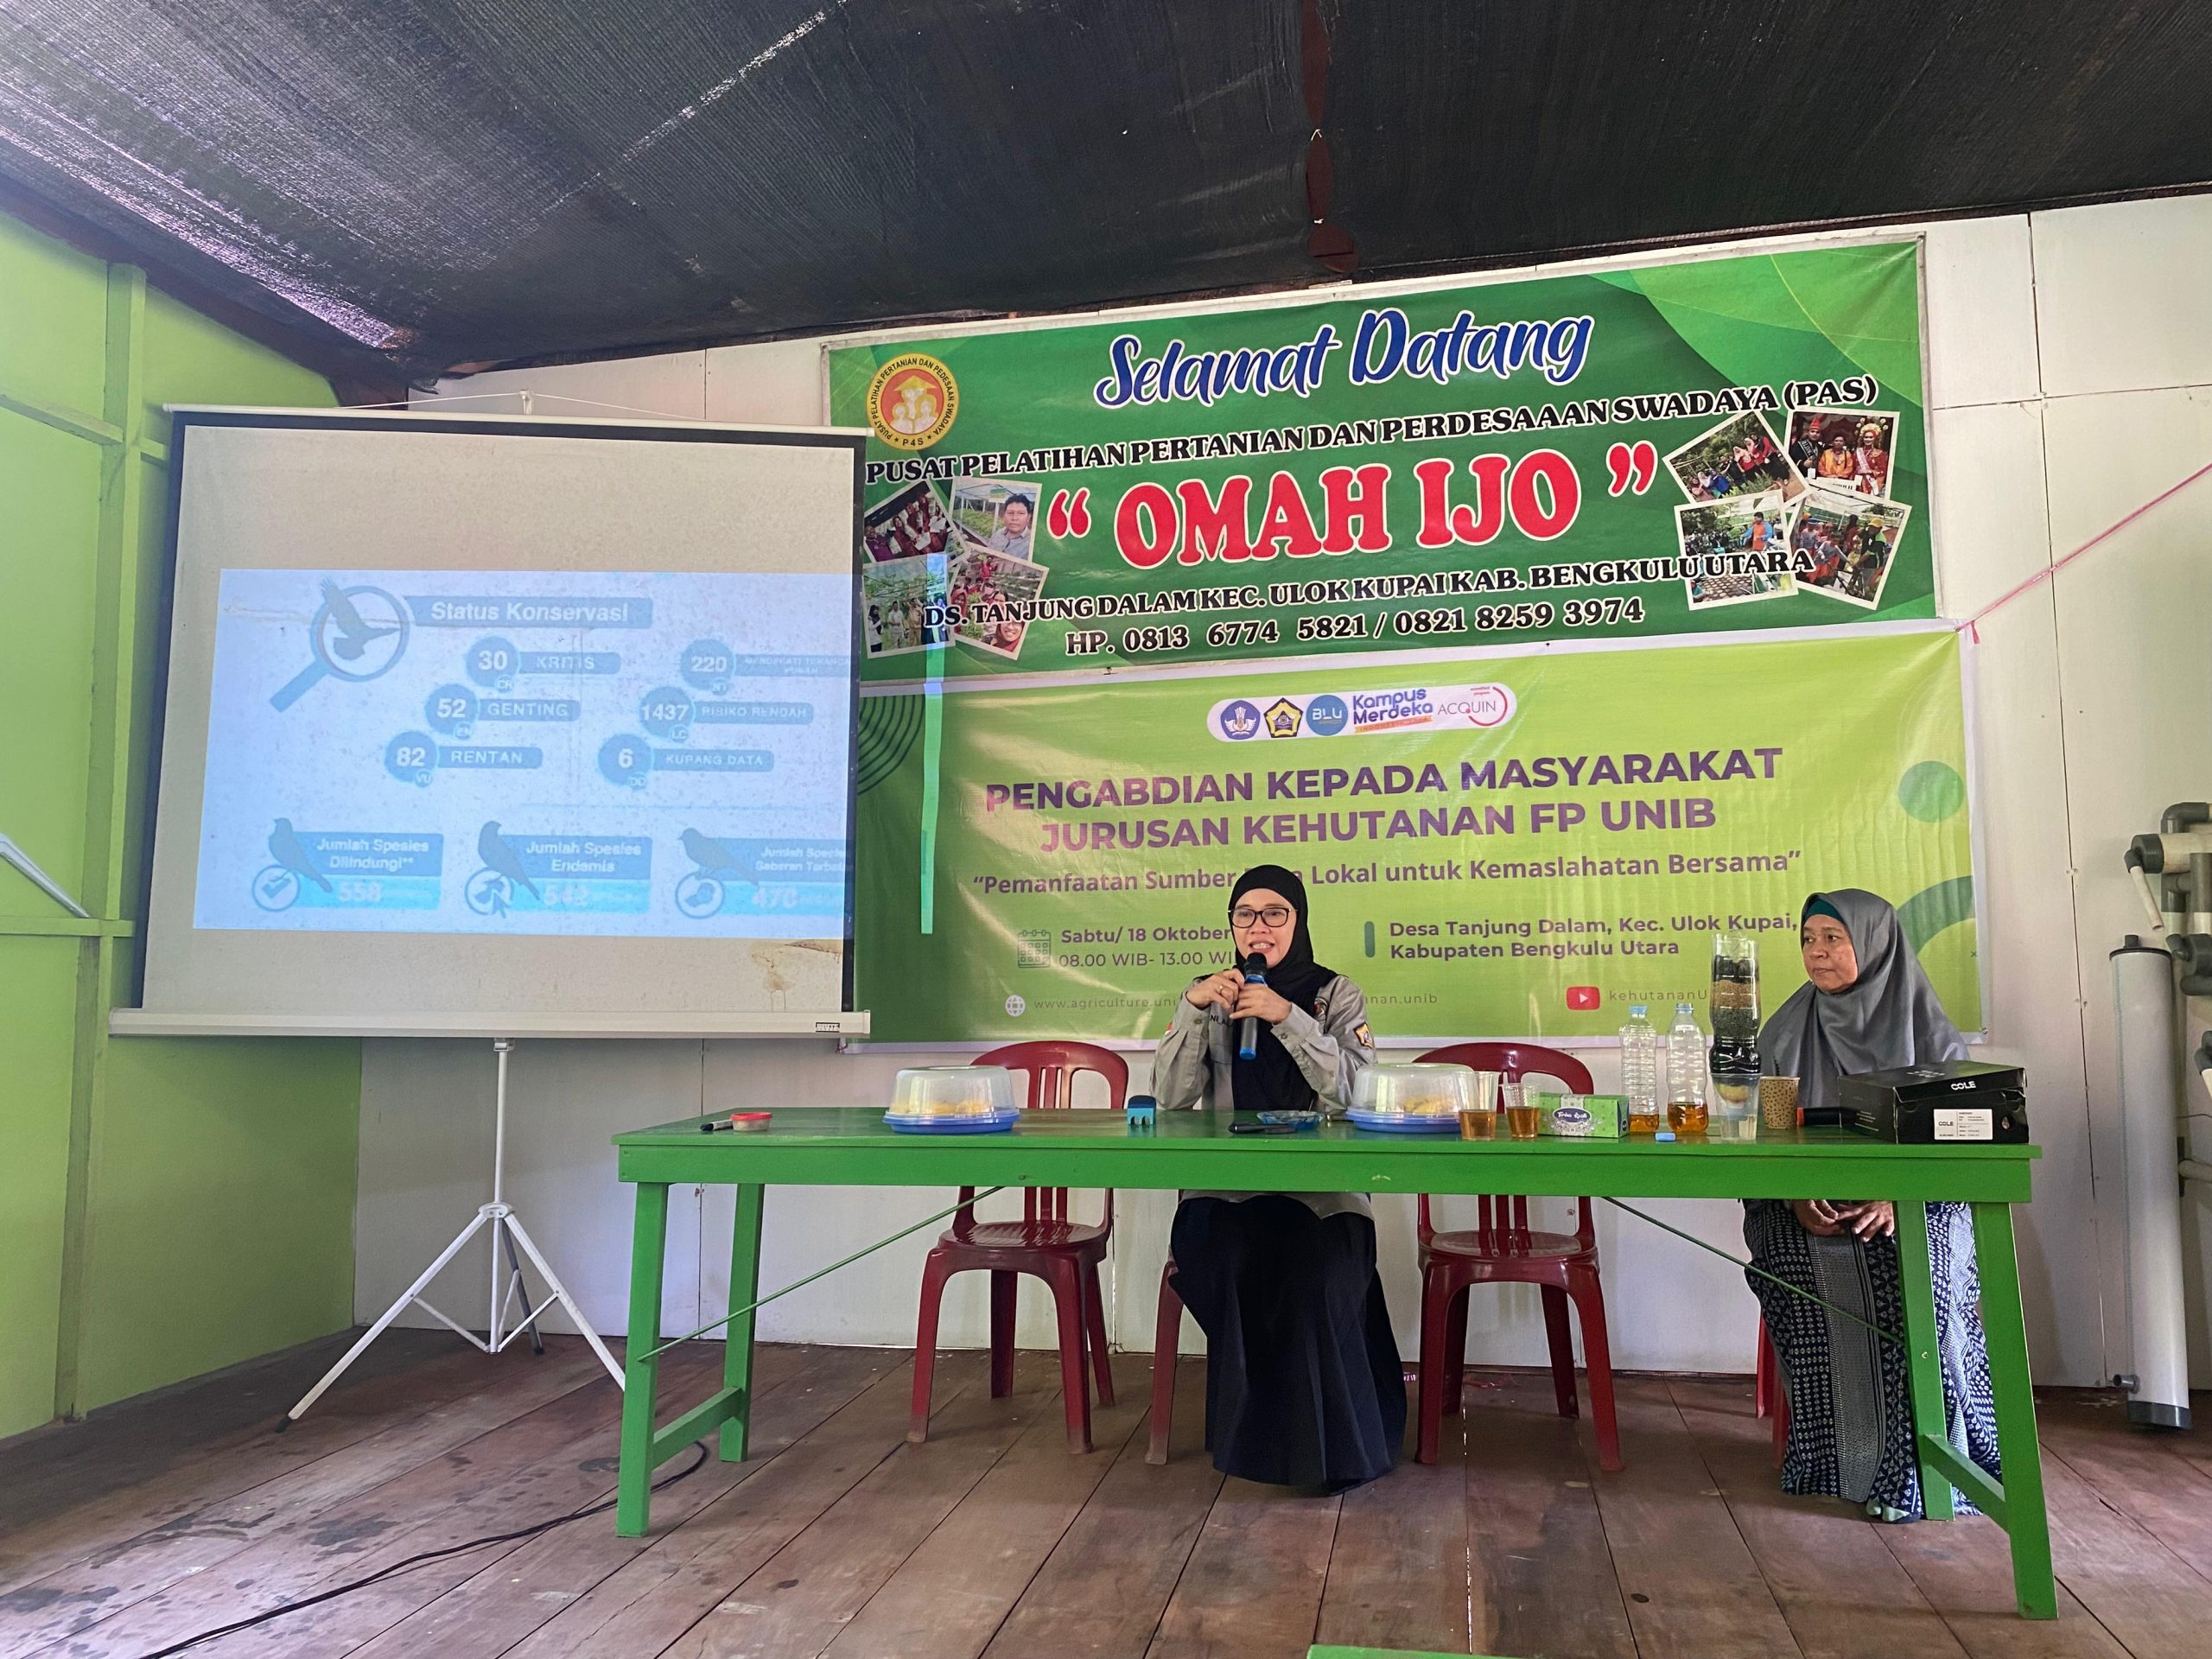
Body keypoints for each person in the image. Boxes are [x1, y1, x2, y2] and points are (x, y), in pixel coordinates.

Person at [1746, 890, 2000, 1521]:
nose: (1817, 952)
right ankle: (1841, 1461)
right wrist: (1796, 1195)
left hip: (1917, 1198)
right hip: (1815, 1202)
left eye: (1833, 937)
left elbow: (1957, 1137)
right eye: (1808, 938)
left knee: (1915, 1276)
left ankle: (1930, 1469)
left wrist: (1897, 1198)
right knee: (1791, 1258)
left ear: (1876, 942)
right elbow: (1773, 1133)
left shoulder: (1929, 1031)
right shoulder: (1783, 1030)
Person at [1153, 864, 1401, 1491]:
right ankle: (1256, 1447)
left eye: (1274, 914)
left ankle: (1328, 1458)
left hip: (1319, 1196)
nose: (1257, 928)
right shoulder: (1210, 994)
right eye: (1244, 915)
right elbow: (1173, 1102)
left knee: (1317, 1272)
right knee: (1227, 1261)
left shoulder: (1334, 995)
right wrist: (1190, 1011)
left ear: (1300, 921)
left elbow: (1356, 1095)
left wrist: (1289, 1018)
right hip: (1229, 1192)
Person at [988, 492, 1035, 558]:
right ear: (1004, 515)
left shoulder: (1033, 544)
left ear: (1029, 517)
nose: (1014, 518)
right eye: (1010, 513)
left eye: (1021, 513)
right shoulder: (997, 534)